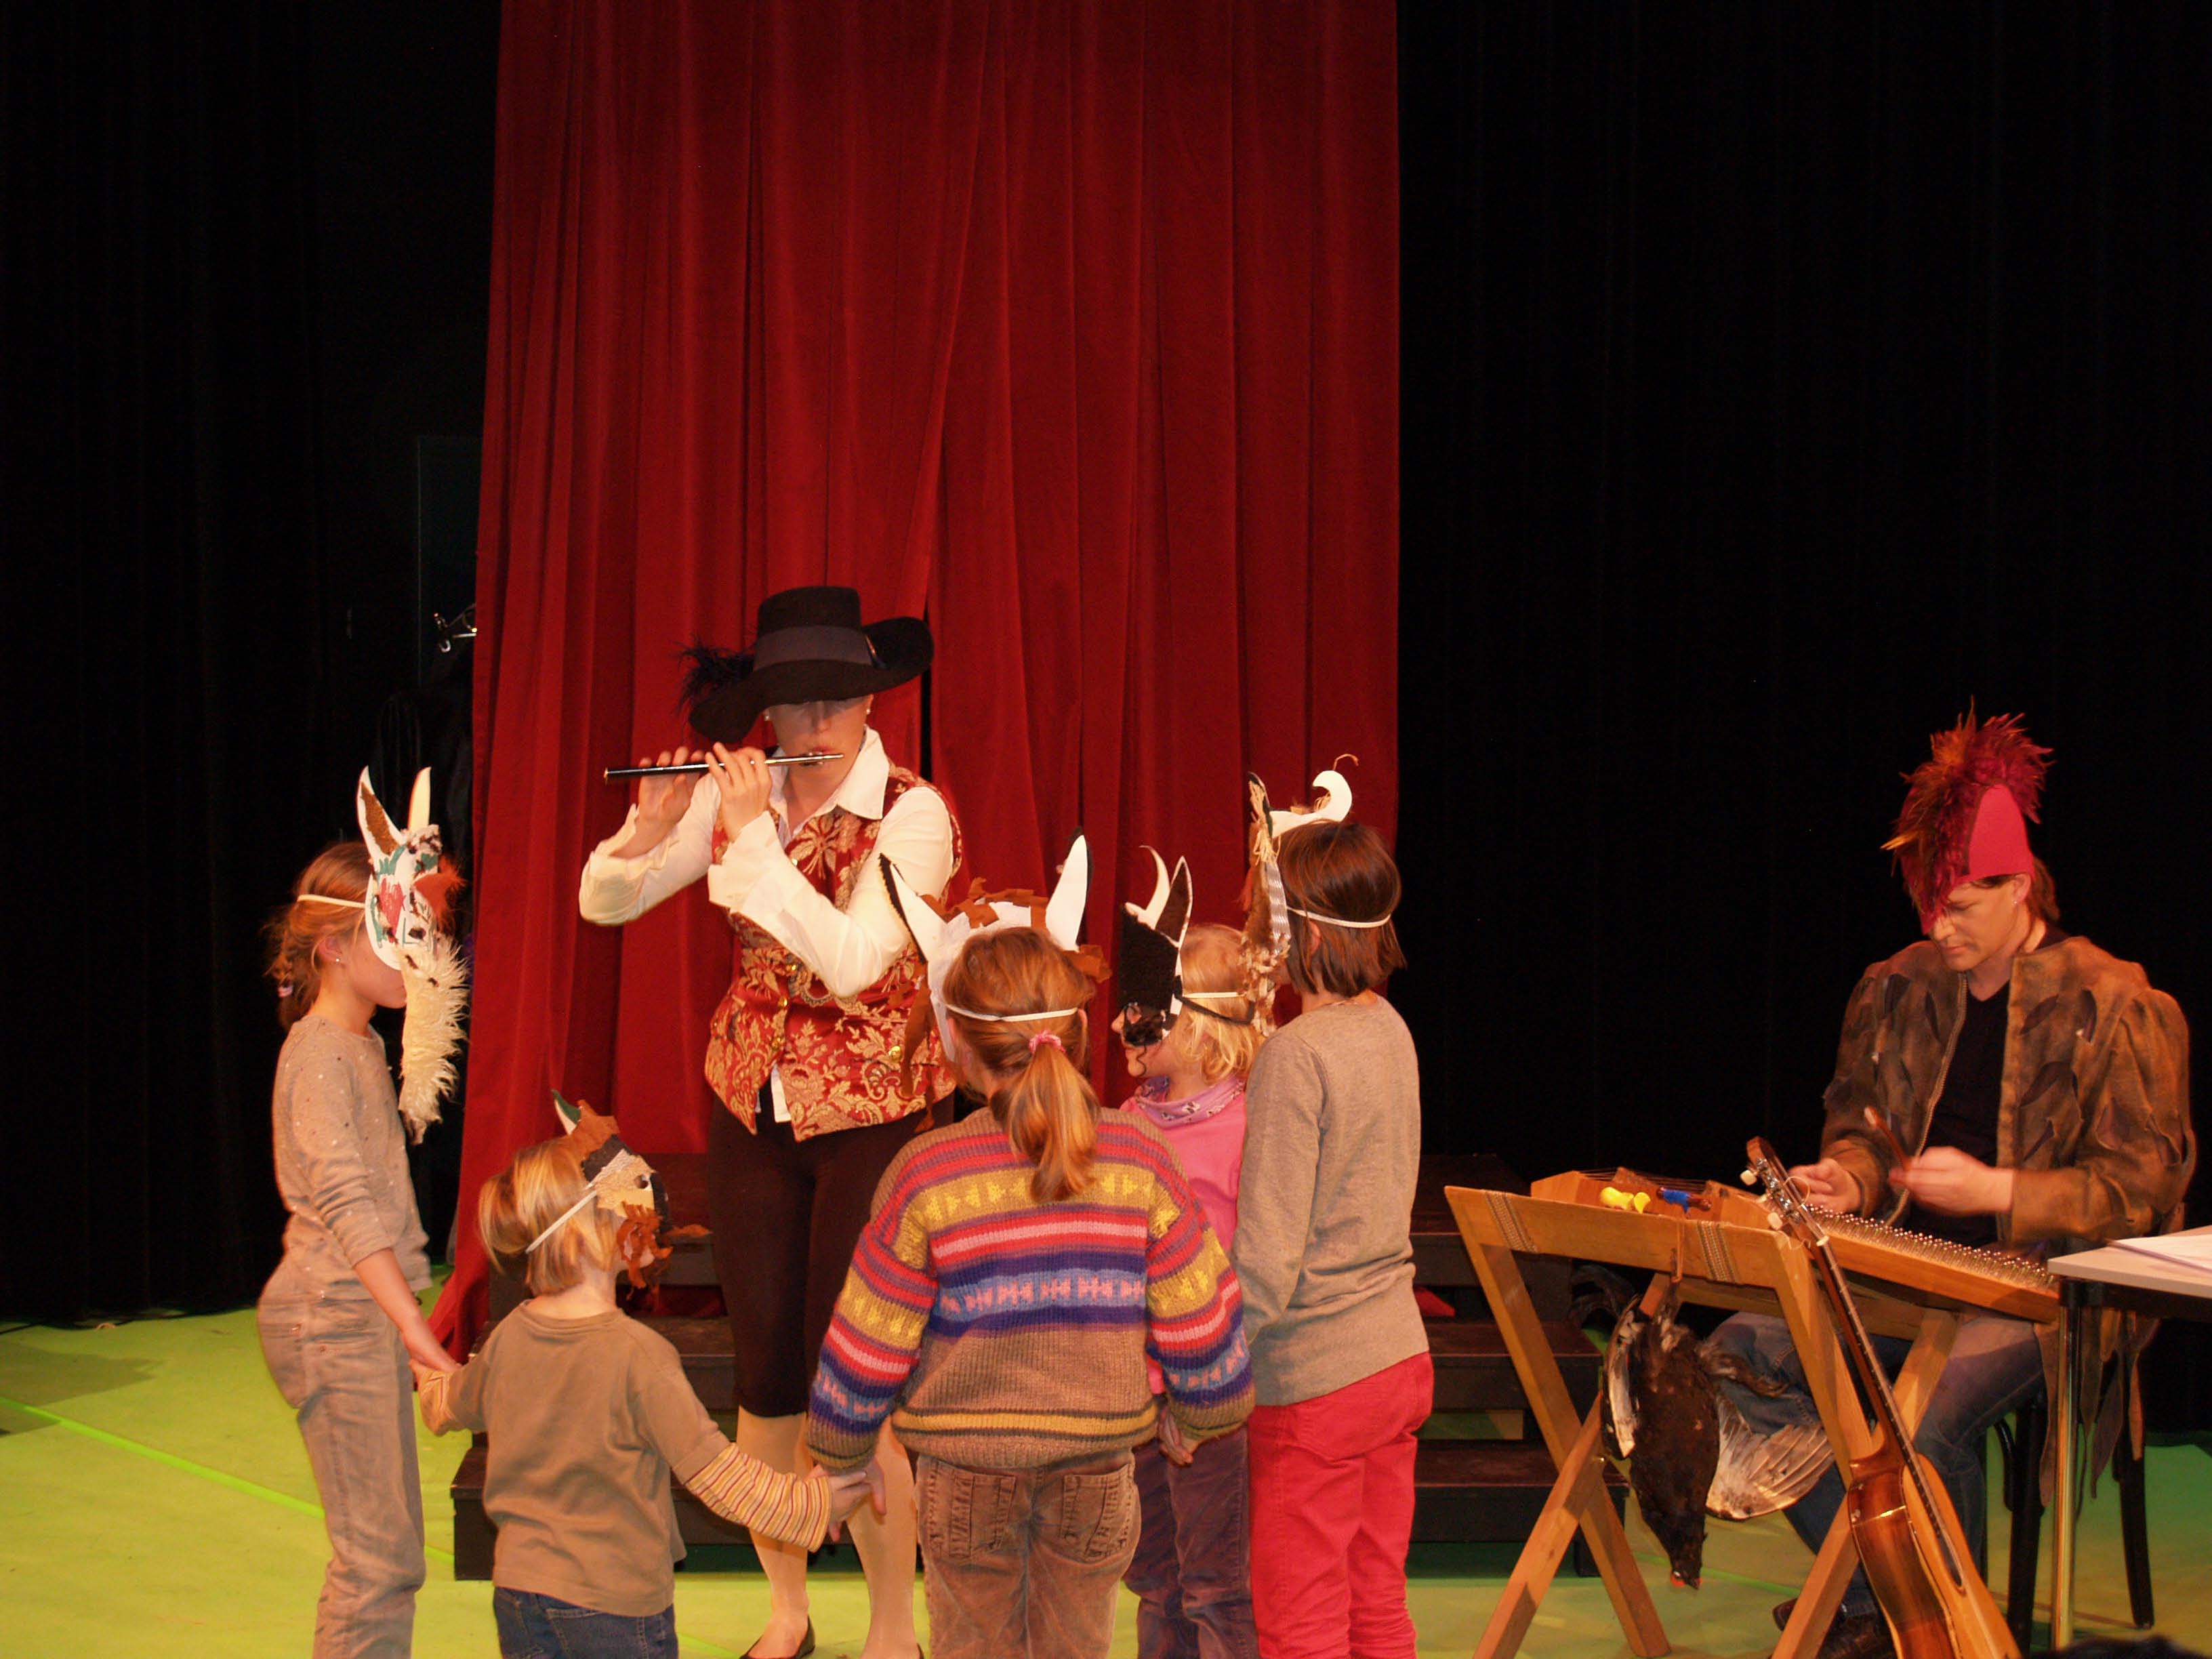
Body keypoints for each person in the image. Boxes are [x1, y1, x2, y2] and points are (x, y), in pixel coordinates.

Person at [1711, 712, 2194, 1659]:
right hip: (1904, 1266)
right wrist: (1850, 1180)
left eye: (1962, 907)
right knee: (1734, 1360)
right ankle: (1888, 1602)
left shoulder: (2114, 1002)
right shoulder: (1900, 986)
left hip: (2046, 1285)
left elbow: (2139, 1188)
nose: (1939, 929)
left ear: (2018, 887)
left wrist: (2002, 1191)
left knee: (1922, 1422)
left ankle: (1943, 1638)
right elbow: (1860, 1126)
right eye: (1931, 907)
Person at [579, 586, 956, 1659]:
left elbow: (855, 963)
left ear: (873, 703)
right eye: (794, 702)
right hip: (751, 1104)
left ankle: (893, 1628)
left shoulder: (915, 815)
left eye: (838, 697)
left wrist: (748, 843)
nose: (817, 721)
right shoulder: (739, 797)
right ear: (767, 713)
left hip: (874, 1114)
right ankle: (786, 1612)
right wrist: (646, 832)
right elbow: (605, 905)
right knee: (767, 1377)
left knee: (859, 1380)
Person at [805, 850, 1255, 1659]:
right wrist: (1200, 1413)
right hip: (1099, 1477)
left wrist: (841, 1457)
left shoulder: (927, 1171)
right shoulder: (1141, 1155)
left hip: (963, 1483)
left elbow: (868, 1339)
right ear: (1078, 1030)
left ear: (956, 1042)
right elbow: (1202, 1317)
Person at [416, 1117, 883, 1659]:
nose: (649, 1212)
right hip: (614, 1611)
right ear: (586, 1231)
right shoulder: (639, 1357)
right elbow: (719, 1477)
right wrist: (811, 1504)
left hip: (520, 1598)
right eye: (627, 1200)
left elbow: (449, 1404)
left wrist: (428, 1378)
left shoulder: (509, 1339)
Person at [256, 802, 464, 1659]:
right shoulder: (317, 1055)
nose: (419, 956)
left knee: (395, 1556)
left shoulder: (364, 1047)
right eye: (399, 936)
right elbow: (345, 1206)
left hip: (360, 1317)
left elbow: (381, 1200)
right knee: (376, 1561)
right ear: (335, 947)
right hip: (331, 1317)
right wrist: (417, 1331)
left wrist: (404, 1324)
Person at [1232, 775, 1431, 1659]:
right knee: (1374, 1601)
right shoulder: (1389, 1025)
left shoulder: (1296, 1055)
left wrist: (1201, 1369)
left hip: (1316, 1379)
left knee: (1301, 1622)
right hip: (1396, 1361)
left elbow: (1268, 1260)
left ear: (1303, 934)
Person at [1111, 851, 1268, 1659]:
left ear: (1200, 1026)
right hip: (1136, 1401)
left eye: (1146, 1012)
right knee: (1154, 1580)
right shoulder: (1127, 1123)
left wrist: (1192, 1392)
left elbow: (1247, 1272)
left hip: (1207, 1400)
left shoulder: (1246, 1131)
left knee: (1213, 1584)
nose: (1121, 1026)